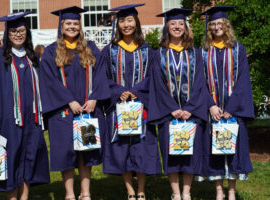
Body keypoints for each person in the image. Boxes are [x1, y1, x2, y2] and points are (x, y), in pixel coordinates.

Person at [0, 11, 50, 199]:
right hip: (9, 122)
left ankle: (24, 197)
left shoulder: (32, 58)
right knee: (11, 161)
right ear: (7, 35)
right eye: (14, 31)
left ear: (27, 32)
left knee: (29, 160)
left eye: (22, 30)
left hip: (32, 121)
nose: (18, 34)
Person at [39, 6, 110, 200]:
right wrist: (69, 100)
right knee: (66, 151)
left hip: (88, 110)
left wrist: (95, 97)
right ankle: (70, 194)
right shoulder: (51, 52)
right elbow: (49, 80)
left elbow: (101, 74)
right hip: (63, 111)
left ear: (80, 26)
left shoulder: (91, 48)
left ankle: (85, 193)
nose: (72, 27)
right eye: (68, 23)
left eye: (75, 23)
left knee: (86, 151)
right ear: (61, 26)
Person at [102, 4, 162, 200]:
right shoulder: (109, 50)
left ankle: (142, 190)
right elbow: (102, 77)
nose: (126, 25)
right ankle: (130, 190)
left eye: (129, 20)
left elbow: (155, 78)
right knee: (122, 150)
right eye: (122, 21)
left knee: (141, 148)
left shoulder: (147, 51)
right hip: (118, 106)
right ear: (117, 25)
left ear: (136, 22)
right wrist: (118, 91)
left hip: (141, 107)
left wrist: (137, 91)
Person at [148, 8, 208, 200]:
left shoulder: (196, 53)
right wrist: (173, 108)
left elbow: (201, 82)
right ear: (167, 27)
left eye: (180, 24)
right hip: (169, 114)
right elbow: (157, 84)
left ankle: (187, 193)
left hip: (191, 113)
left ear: (186, 27)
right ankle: (175, 193)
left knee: (189, 151)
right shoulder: (159, 54)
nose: (177, 27)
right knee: (171, 153)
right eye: (173, 24)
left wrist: (189, 109)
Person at [197, 6, 254, 200]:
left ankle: (231, 192)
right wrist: (210, 105)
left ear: (226, 25)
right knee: (215, 149)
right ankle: (219, 192)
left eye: (219, 23)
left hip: (232, 111)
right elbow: (199, 82)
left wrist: (231, 107)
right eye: (212, 24)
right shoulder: (203, 51)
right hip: (212, 110)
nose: (216, 26)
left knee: (232, 149)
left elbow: (243, 80)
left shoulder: (238, 49)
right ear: (209, 27)